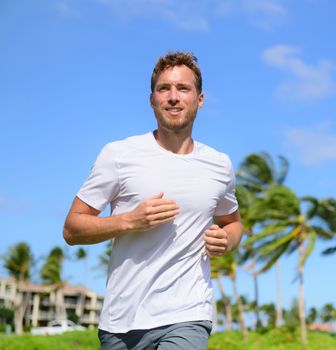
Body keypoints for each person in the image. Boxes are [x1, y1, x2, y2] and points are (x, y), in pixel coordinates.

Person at [63, 51, 242, 350]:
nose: (173, 97)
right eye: (164, 89)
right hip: (122, 322)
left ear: (199, 99)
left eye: (183, 88)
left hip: (189, 314)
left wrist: (227, 240)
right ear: (152, 100)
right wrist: (129, 220)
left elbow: (233, 223)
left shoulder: (219, 164)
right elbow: (72, 229)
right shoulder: (118, 155)